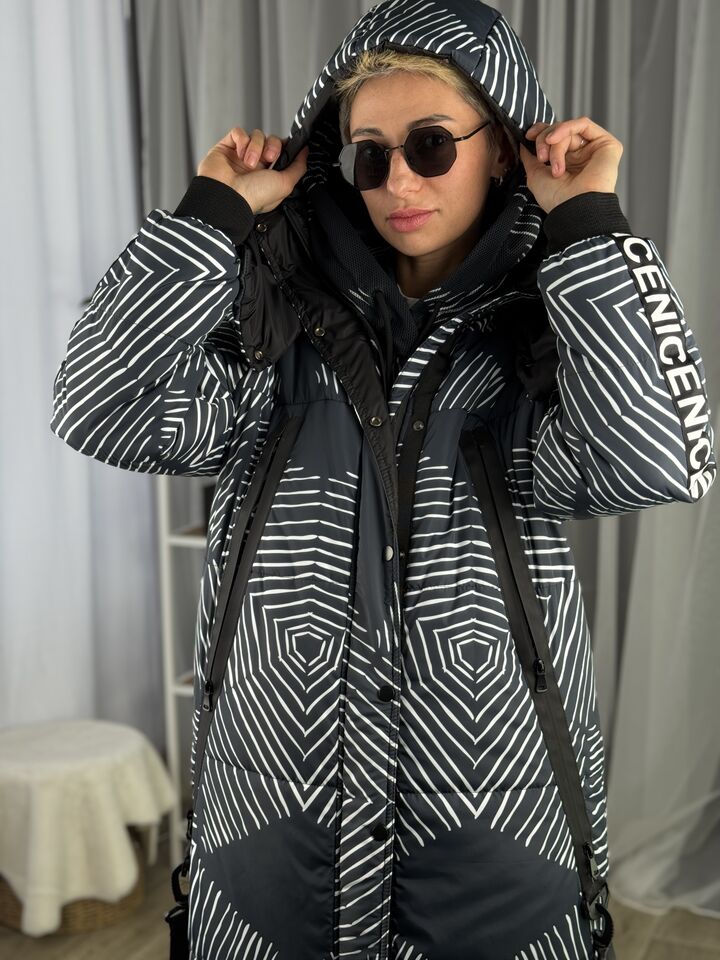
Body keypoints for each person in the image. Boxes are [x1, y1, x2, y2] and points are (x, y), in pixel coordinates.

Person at [50, 1, 716, 958]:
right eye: (370, 154)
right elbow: (96, 405)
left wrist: (588, 226)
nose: (399, 180)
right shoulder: (267, 337)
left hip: (495, 851)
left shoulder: (542, 346)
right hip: (270, 855)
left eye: (433, 145)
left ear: (502, 147)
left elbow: (664, 455)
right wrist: (211, 216)